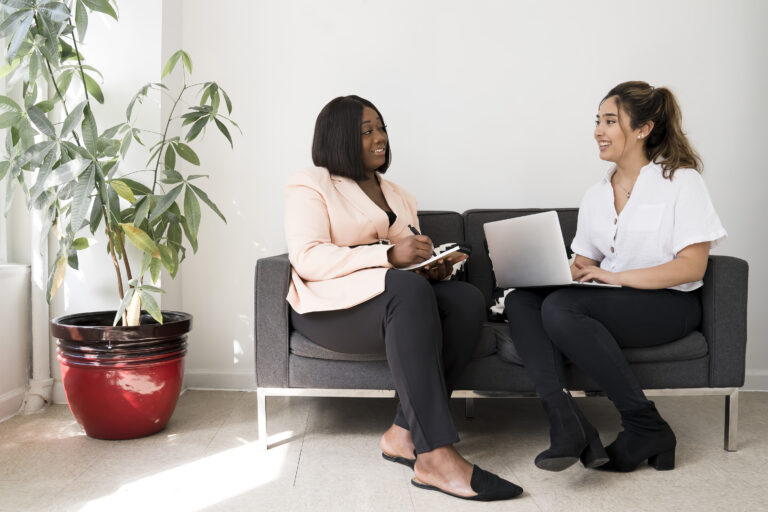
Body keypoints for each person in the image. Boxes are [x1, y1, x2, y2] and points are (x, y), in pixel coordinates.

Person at [285, 95, 522, 500]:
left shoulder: (397, 193)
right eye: (367, 131)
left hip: (389, 299)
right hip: (329, 308)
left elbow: (405, 257)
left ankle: (403, 432)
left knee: (463, 299)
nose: (380, 138)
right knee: (407, 288)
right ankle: (435, 456)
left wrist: (431, 266)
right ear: (340, 138)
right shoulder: (310, 184)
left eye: (381, 127)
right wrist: (389, 256)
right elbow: (307, 258)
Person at [504, 81, 727, 473]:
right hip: (617, 302)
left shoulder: (681, 181)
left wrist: (615, 277)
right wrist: (545, 271)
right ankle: (566, 422)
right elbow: (582, 262)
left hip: (669, 304)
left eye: (610, 121)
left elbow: (692, 267)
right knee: (522, 300)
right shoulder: (596, 194)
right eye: (598, 120)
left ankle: (645, 425)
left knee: (562, 307)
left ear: (643, 129)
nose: (598, 130)